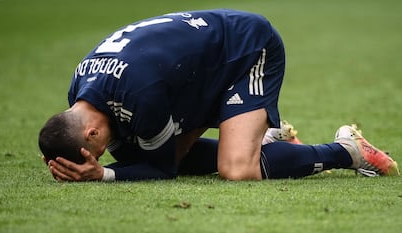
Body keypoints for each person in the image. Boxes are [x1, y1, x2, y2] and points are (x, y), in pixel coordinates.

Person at [38, 9, 399, 182]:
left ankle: (347, 150)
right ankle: (264, 137)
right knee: (140, 152)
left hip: (245, 52)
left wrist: (103, 175)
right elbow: (148, 158)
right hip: (195, 75)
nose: (100, 154)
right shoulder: (81, 89)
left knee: (236, 168)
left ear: (90, 133)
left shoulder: (137, 93)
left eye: (94, 152)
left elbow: (163, 170)